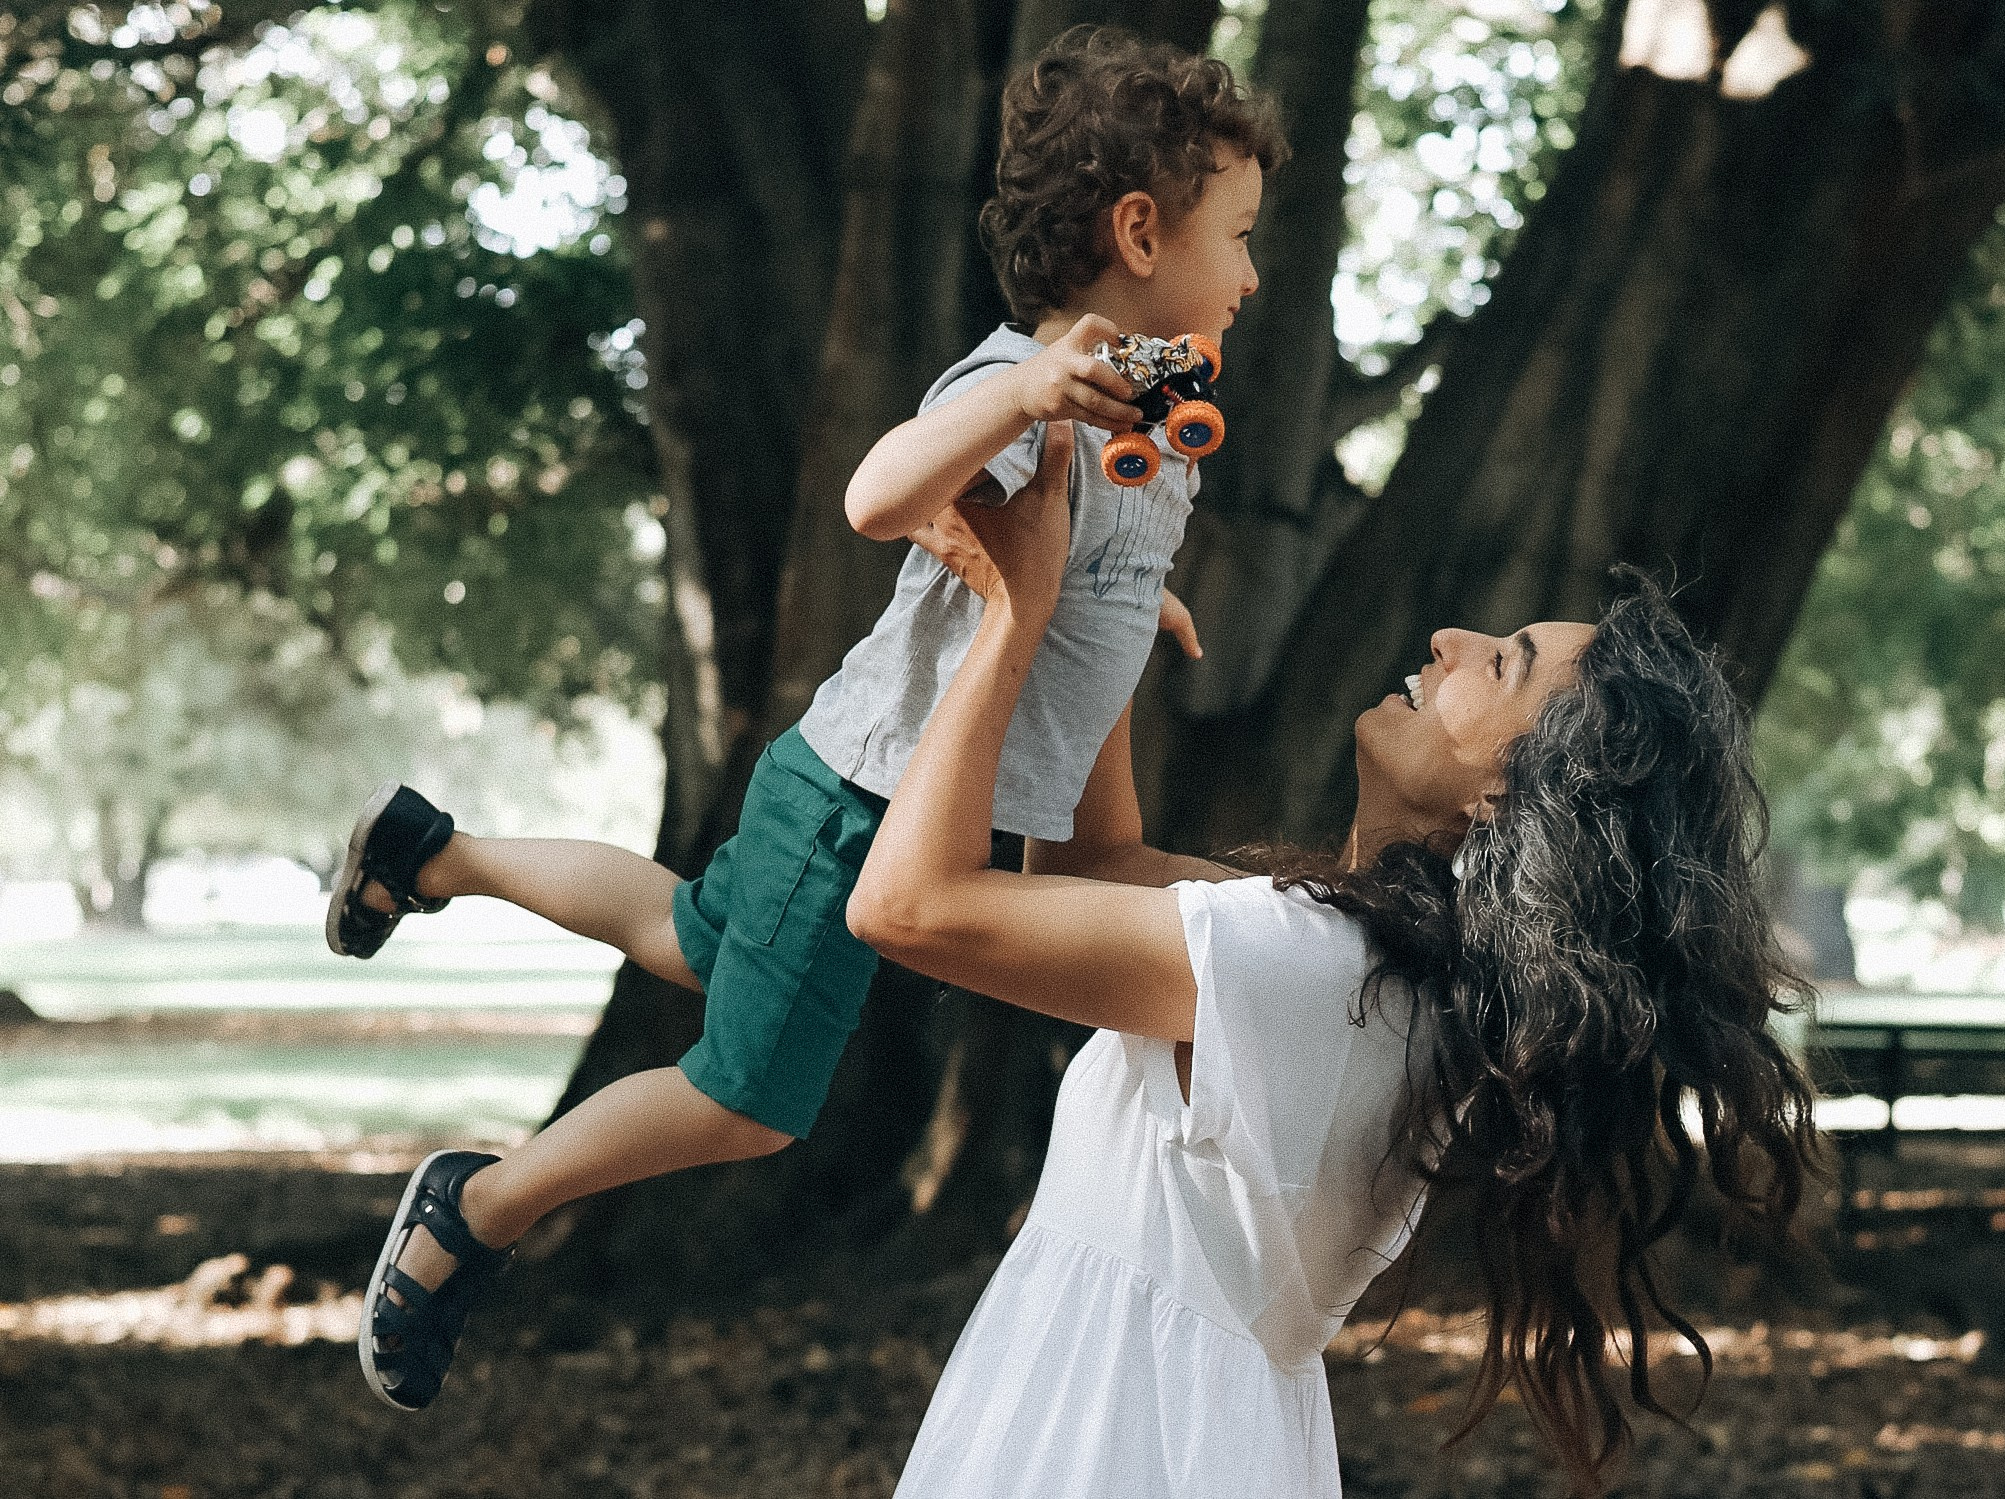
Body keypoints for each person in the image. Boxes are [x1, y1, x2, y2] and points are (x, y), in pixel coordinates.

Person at [332, 26, 1288, 1413]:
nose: (1254, 274)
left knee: (683, 933)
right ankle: (475, 1207)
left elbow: (1077, 563)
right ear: (1140, 231)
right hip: (864, 807)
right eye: (1240, 236)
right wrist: (1017, 397)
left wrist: (1132, 606)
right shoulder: (1023, 382)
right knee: (743, 1095)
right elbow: (881, 495)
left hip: (858, 786)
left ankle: (433, 851)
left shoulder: (1155, 410)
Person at [847, 421, 1826, 1497]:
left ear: (1509, 793)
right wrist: (1104, 599)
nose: (1449, 636)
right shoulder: (1383, 964)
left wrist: (1013, 613)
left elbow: (905, 907)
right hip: (1166, 1421)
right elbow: (1095, 864)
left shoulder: (1312, 964)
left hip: (1109, 1434)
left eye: (1496, 662)